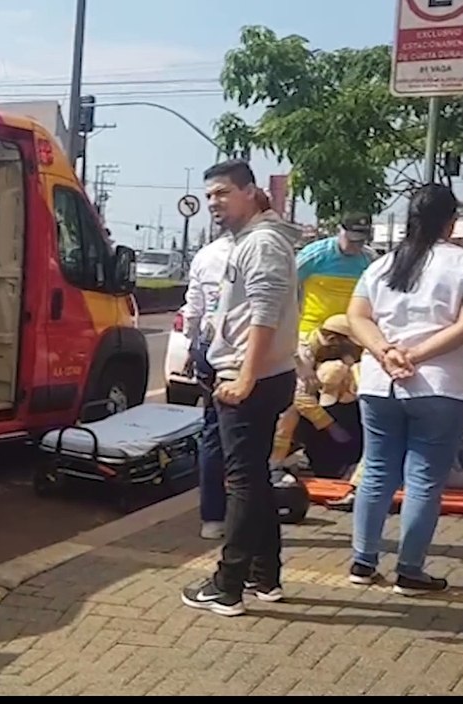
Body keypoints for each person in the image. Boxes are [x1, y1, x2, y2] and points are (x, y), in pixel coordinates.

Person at [180, 160, 302, 617]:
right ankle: (263, 576)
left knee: (243, 483)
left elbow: (264, 314)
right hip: (250, 374)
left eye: (223, 193)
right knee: (254, 479)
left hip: (250, 378)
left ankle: (227, 585)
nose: (215, 202)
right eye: (210, 195)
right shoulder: (248, 241)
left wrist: (245, 376)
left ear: (250, 192)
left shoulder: (263, 243)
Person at [345, 182, 463, 596]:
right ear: (451, 222)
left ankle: (363, 560)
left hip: (379, 383)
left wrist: (385, 352)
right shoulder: (460, 263)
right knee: (424, 478)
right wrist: (416, 355)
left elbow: (356, 317)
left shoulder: (382, 265)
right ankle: (410, 570)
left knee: (376, 469)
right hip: (438, 385)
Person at [180, 221, 236, 540]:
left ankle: (212, 518)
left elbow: (194, 310)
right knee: (249, 439)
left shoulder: (205, 255)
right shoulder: (262, 251)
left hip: (208, 346)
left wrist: (192, 346)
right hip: (243, 353)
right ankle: (243, 515)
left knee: (213, 431)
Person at [269, 314, 362, 468]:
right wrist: (333, 428)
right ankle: (275, 464)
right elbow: (299, 398)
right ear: (332, 339)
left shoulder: (328, 348)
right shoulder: (302, 351)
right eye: (350, 346)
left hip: (306, 396)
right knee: (290, 413)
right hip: (274, 395)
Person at [295, 212, 376, 342]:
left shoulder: (369, 260)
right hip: (312, 330)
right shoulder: (315, 255)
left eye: (360, 241)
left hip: (352, 333)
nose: (355, 246)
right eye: (351, 240)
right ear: (340, 230)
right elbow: (287, 286)